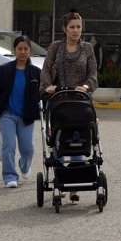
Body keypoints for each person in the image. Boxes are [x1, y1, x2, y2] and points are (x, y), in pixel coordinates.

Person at [40, 11, 98, 201]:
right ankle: (61, 179)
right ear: (64, 29)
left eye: (78, 27)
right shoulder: (56, 47)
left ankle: (76, 183)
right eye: (72, 27)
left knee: (79, 140)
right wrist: (48, 86)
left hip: (80, 102)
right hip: (59, 100)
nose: (75, 30)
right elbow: (46, 70)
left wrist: (87, 86)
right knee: (58, 141)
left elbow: (93, 75)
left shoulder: (88, 48)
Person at [0, 35, 41, 188]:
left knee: (27, 149)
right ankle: (10, 176)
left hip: (26, 116)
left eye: (26, 49)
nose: (23, 52)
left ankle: (24, 166)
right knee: (9, 146)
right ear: (14, 50)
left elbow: (42, 93)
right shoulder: (5, 70)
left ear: (30, 51)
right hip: (7, 115)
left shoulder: (35, 72)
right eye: (20, 49)